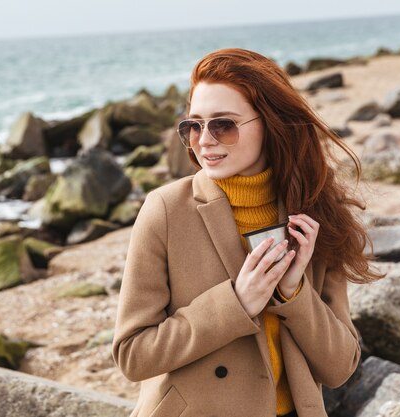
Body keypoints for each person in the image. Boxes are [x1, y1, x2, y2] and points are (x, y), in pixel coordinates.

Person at [112, 47, 384, 417]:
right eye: (193, 125)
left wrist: (294, 294)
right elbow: (132, 355)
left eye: (223, 124)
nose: (204, 140)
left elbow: (340, 368)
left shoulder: (314, 212)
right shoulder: (166, 210)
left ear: (269, 123)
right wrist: (235, 304)